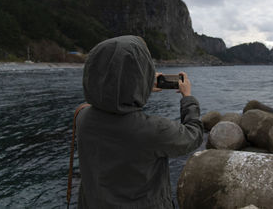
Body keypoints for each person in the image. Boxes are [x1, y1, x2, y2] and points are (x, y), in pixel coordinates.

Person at [76, 35, 204, 208]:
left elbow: (109, 99)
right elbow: (193, 136)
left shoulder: (82, 118)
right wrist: (187, 97)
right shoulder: (152, 130)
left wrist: (141, 86)